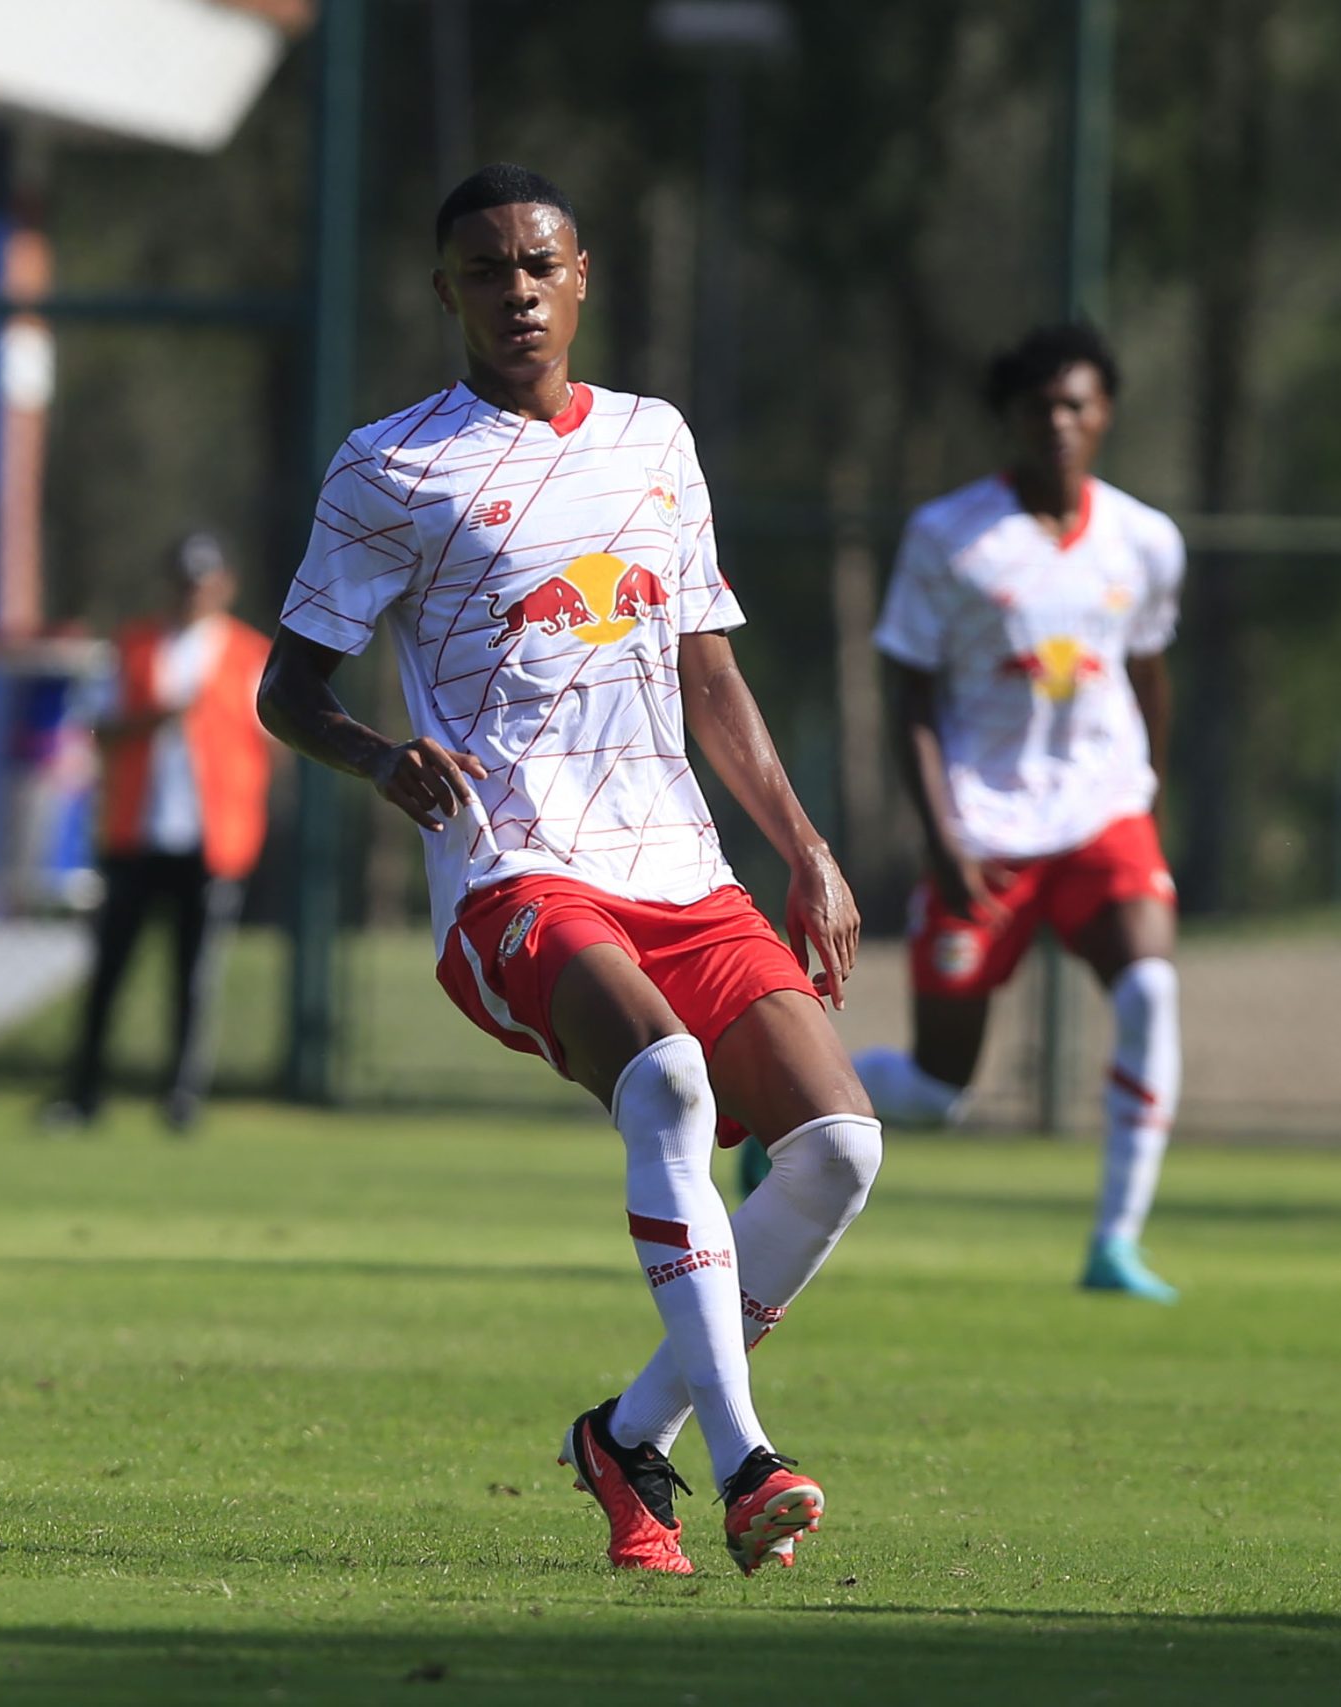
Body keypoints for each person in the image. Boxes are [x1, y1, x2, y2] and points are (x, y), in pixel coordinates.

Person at [258, 163, 882, 1578]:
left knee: (841, 1149)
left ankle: (625, 1433)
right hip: (516, 869)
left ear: (584, 274)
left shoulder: (657, 442)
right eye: (486, 271)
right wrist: (376, 756)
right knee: (668, 1084)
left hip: (682, 864)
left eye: (539, 264)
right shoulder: (390, 465)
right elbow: (286, 689)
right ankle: (744, 1460)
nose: (516, 291)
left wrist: (805, 846)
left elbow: (706, 669)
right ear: (445, 294)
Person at [860, 321, 1188, 1302]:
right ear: (1007, 418)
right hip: (984, 829)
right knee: (935, 1092)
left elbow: (1148, 671)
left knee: (1150, 994)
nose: (1059, 421)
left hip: (1102, 815)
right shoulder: (947, 538)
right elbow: (909, 696)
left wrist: (1148, 792)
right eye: (1039, 406)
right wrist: (940, 835)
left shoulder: (1144, 540)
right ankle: (790, 1110)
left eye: (1076, 404)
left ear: (1105, 416)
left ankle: (1115, 1245)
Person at [51, 532, 272, 1133]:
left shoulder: (250, 653)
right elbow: (99, 728)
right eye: (181, 582)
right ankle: (83, 1093)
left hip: (213, 837)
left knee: (193, 977)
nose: (190, 594)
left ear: (224, 585)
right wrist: (155, 718)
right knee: (109, 972)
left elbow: (278, 733)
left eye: (202, 583)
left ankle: (181, 1098)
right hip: (136, 833)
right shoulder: (135, 645)